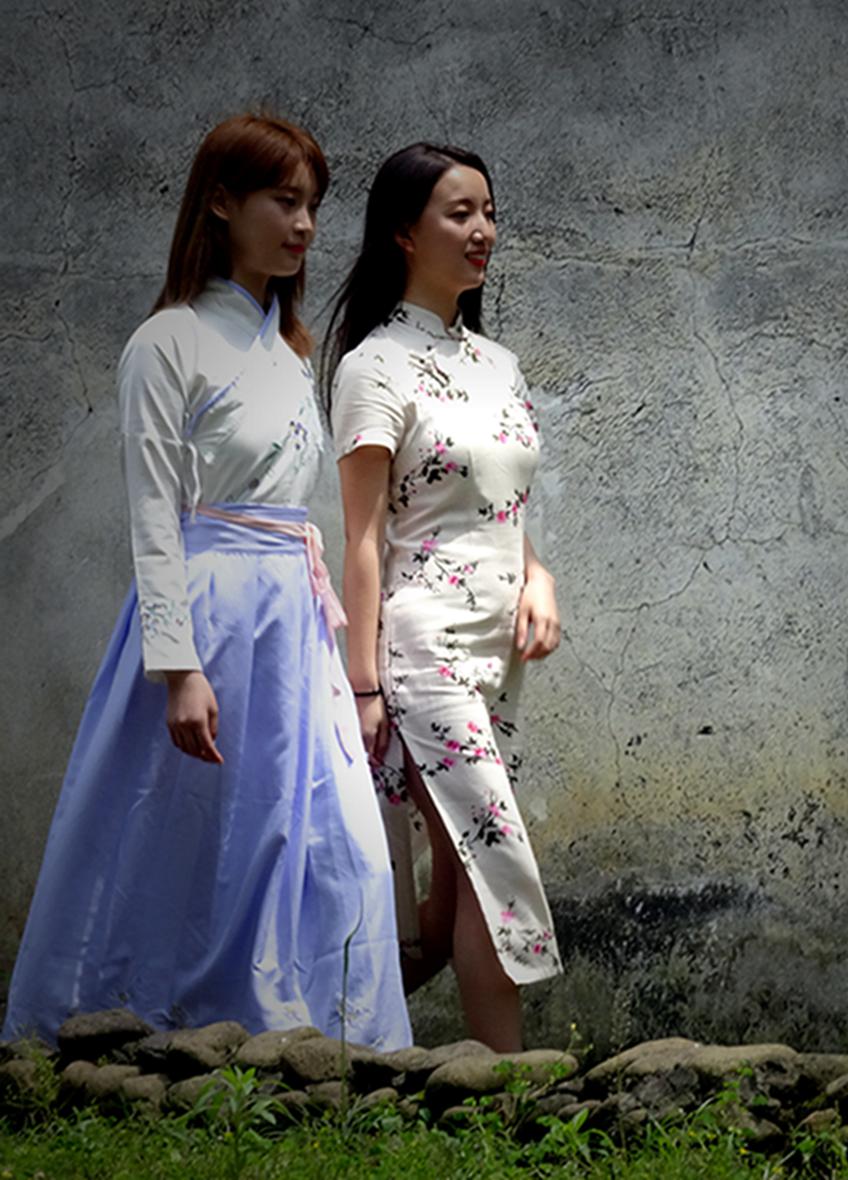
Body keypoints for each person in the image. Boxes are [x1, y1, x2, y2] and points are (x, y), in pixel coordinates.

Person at [2, 114, 411, 1051]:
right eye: (283, 200)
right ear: (220, 202)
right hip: (213, 612)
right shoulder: (167, 342)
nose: (304, 224)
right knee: (189, 830)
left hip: (293, 616)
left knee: (326, 830)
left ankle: (319, 1027)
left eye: (312, 205)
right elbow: (153, 516)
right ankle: (147, 1029)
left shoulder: (290, 351)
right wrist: (177, 666)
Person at [325, 143, 562, 1053]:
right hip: (423, 647)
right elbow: (362, 538)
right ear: (403, 231)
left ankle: (333, 1039)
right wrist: (363, 686)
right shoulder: (373, 366)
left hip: (499, 650)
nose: (483, 230)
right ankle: (508, 1085)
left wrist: (539, 578)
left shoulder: (498, 363)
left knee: (461, 874)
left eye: (489, 212)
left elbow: (499, 506)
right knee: (497, 856)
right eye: (460, 213)